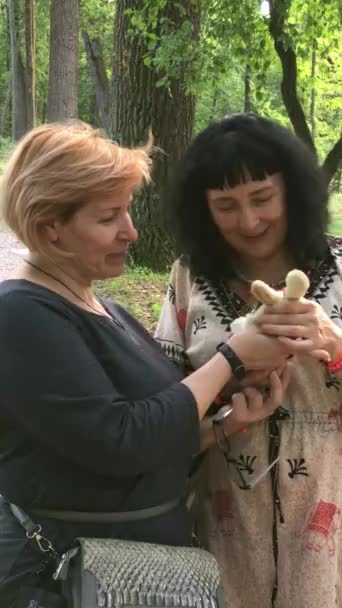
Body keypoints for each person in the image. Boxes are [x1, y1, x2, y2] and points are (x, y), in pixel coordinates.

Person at [0, 121, 298, 607]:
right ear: (50, 227)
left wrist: (225, 423)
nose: (131, 232)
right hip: (62, 581)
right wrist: (231, 356)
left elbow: (156, 436)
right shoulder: (19, 314)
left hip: (139, 577)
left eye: (128, 212)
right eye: (108, 218)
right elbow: (123, 439)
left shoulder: (108, 312)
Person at [155, 113, 342, 608]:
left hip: (331, 533)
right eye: (225, 206)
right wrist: (228, 380)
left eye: (262, 197)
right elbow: (162, 410)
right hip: (220, 529)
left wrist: (336, 347)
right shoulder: (188, 279)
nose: (250, 221)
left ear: (294, 190)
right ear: (202, 210)